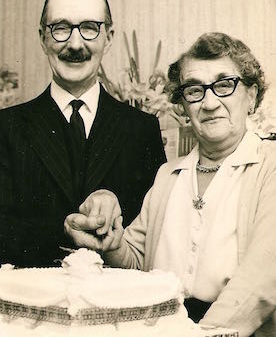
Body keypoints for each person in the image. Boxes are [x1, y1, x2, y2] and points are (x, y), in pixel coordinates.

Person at [65, 32, 276, 337]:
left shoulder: (270, 165)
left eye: (224, 85)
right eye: (194, 90)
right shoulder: (169, 175)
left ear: (252, 95)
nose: (210, 102)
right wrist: (110, 242)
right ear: (182, 106)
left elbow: (263, 278)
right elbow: (137, 261)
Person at [0, 0, 166, 268]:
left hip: (117, 306)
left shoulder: (142, 129)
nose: (75, 45)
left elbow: (155, 236)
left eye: (89, 27)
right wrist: (62, 230)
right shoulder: (6, 127)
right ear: (43, 38)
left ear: (109, 37)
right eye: (61, 28)